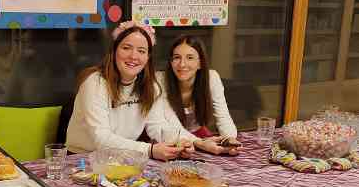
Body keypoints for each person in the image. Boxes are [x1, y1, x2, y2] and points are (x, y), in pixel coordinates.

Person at [66, 21, 192, 160]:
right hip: (82, 159)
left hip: (122, 158)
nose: (133, 56)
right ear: (114, 51)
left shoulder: (151, 86)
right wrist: (149, 150)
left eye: (141, 51)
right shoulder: (95, 83)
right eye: (126, 48)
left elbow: (157, 125)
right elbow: (101, 138)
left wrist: (181, 142)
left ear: (147, 57)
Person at [160, 35, 241, 155]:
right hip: (169, 137)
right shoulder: (160, 81)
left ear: (200, 63)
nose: (182, 64)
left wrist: (229, 139)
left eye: (190, 58)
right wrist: (198, 143)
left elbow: (223, 115)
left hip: (199, 135)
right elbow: (171, 125)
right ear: (171, 62)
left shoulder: (212, 77)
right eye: (177, 57)